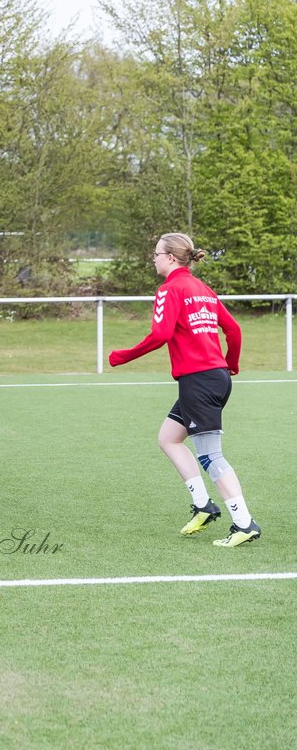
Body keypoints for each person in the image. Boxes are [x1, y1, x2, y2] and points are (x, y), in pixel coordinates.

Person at [108, 233, 259, 547]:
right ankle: (203, 505)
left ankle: (244, 524)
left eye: (156, 253)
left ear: (171, 258)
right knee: (169, 438)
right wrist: (230, 364)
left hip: (199, 381)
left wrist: (123, 356)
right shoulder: (202, 289)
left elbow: (160, 334)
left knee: (211, 457)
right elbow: (234, 329)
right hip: (212, 377)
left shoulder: (169, 289)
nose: (154, 257)